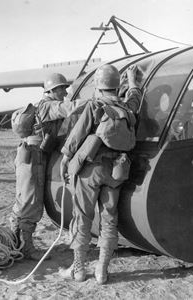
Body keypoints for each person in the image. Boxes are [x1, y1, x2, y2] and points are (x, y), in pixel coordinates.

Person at [59, 64, 142, 284]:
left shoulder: (95, 106)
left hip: (91, 170)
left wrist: (66, 157)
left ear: (97, 84)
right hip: (117, 170)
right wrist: (133, 81)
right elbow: (135, 97)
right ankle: (102, 271)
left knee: (82, 217)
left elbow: (76, 136)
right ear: (117, 85)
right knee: (109, 219)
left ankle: (78, 270)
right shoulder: (127, 108)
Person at [10, 73, 73, 260]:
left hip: (31, 155)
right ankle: (26, 248)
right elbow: (68, 108)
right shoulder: (48, 106)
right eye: (61, 88)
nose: (65, 92)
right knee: (30, 201)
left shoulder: (44, 106)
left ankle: (16, 244)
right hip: (33, 157)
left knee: (25, 200)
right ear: (51, 90)